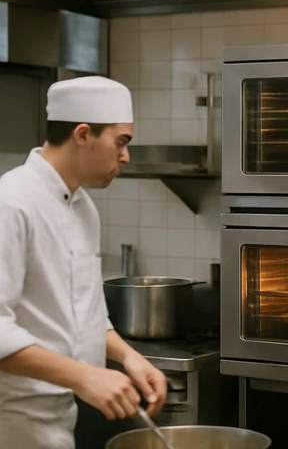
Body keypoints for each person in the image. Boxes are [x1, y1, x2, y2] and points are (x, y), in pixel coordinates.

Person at [0, 76, 167, 448]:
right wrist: (85, 377)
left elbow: (83, 313)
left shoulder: (83, 208)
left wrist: (129, 357)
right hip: (9, 420)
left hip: (59, 414)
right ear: (82, 134)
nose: (125, 156)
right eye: (120, 142)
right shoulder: (11, 202)